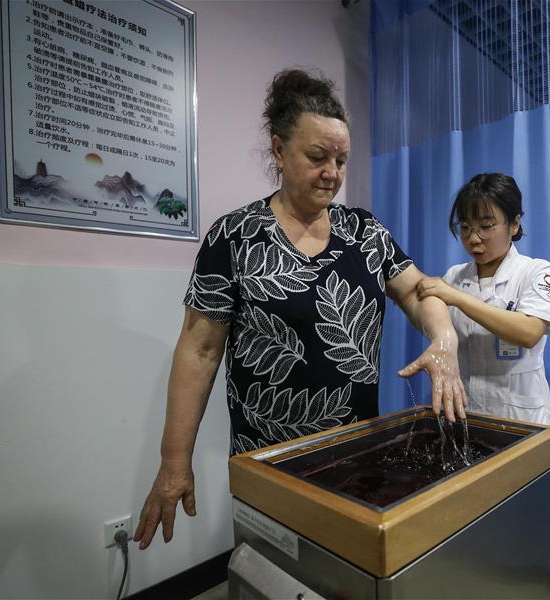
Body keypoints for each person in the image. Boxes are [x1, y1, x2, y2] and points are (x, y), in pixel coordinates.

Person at [134, 69, 466, 550]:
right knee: (273, 574)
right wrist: (174, 461)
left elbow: (420, 292)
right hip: (268, 464)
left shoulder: (365, 233)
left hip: (354, 457)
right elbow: (199, 351)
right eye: (318, 157)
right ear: (278, 150)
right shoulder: (234, 237)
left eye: (342, 159)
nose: (332, 172)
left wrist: (444, 339)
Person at [416, 173, 550, 425]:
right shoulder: (454, 276)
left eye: (486, 226)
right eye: (465, 227)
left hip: (518, 417)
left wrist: (457, 298)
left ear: (514, 224)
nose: (473, 238)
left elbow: (528, 333)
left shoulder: (537, 272)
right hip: (465, 414)